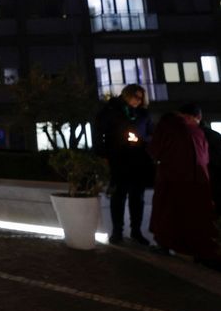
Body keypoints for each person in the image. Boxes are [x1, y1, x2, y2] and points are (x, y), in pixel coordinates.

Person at [149, 104, 220, 267]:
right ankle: (198, 250)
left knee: (168, 213)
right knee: (196, 216)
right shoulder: (198, 131)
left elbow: (154, 150)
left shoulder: (168, 127)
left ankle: (166, 245)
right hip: (199, 180)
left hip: (172, 178)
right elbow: (206, 157)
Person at [93, 84, 153, 244]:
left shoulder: (143, 113)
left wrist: (142, 140)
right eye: (135, 96)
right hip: (118, 159)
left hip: (139, 160)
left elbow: (150, 134)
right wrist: (103, 154)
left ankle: (136, 231)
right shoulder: (112, 110)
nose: (138, 101)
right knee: (118, 195)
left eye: (141, 98)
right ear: (127, 95)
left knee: (137, 197)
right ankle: (117, 231)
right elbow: (99, 131)